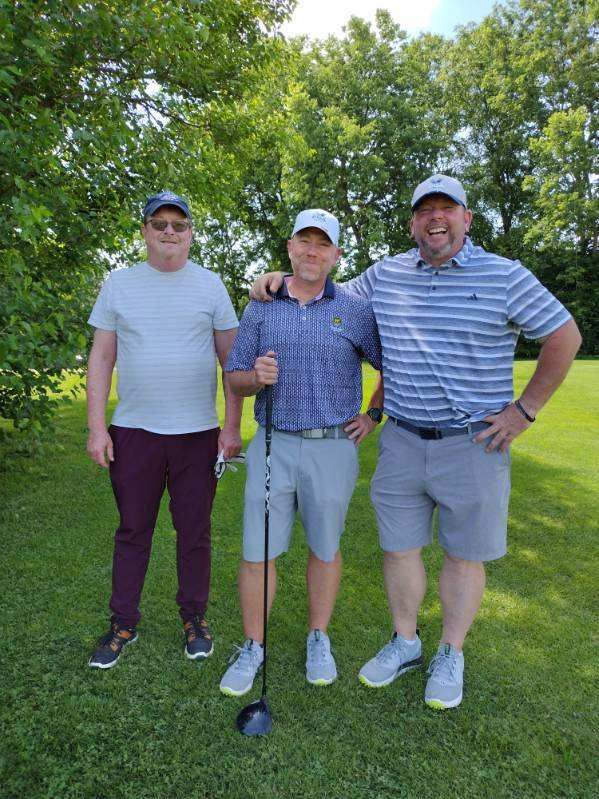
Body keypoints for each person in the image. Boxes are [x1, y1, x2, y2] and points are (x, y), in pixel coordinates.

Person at [249, 175, 582, 709]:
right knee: (399, 548)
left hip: (474, 442)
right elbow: (320, 289)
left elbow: (565, 335)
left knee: (463, 554)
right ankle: (405, 642)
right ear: (412, 223)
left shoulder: (504, 276)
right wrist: (272, 278)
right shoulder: (386, 276)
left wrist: (526, 410)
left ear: (466, 218)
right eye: (424, 209)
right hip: (403, 440)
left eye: (446, 208)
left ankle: (451, 650)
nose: (435, 218)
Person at [219, 209, 383, 696]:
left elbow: (390, 363)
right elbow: (234, 377)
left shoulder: (353, 307)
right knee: (256, 551)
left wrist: (373, 415)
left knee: (326, 548)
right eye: (304, 242)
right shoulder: (261, 306)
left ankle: (318, 638)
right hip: (274, 445)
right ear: (290, 247)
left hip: (333, 446)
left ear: (336, 254)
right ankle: (253, 646)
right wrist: (255, 378)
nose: (312, 251)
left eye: (322, 244)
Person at [86, 190, 243, 669]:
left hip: (198, 433)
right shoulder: (118, 285)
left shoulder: (211, 285)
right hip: (134, 432)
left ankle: (194, 618)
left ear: (191, 232)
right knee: (134, 530)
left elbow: (231, 363)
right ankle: (123, 623)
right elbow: (102, 359)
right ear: (145, 232)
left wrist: (231, 428)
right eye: (160, 224)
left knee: (193, 532)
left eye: (179, 224)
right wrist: (97, 429)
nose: (169, 232)